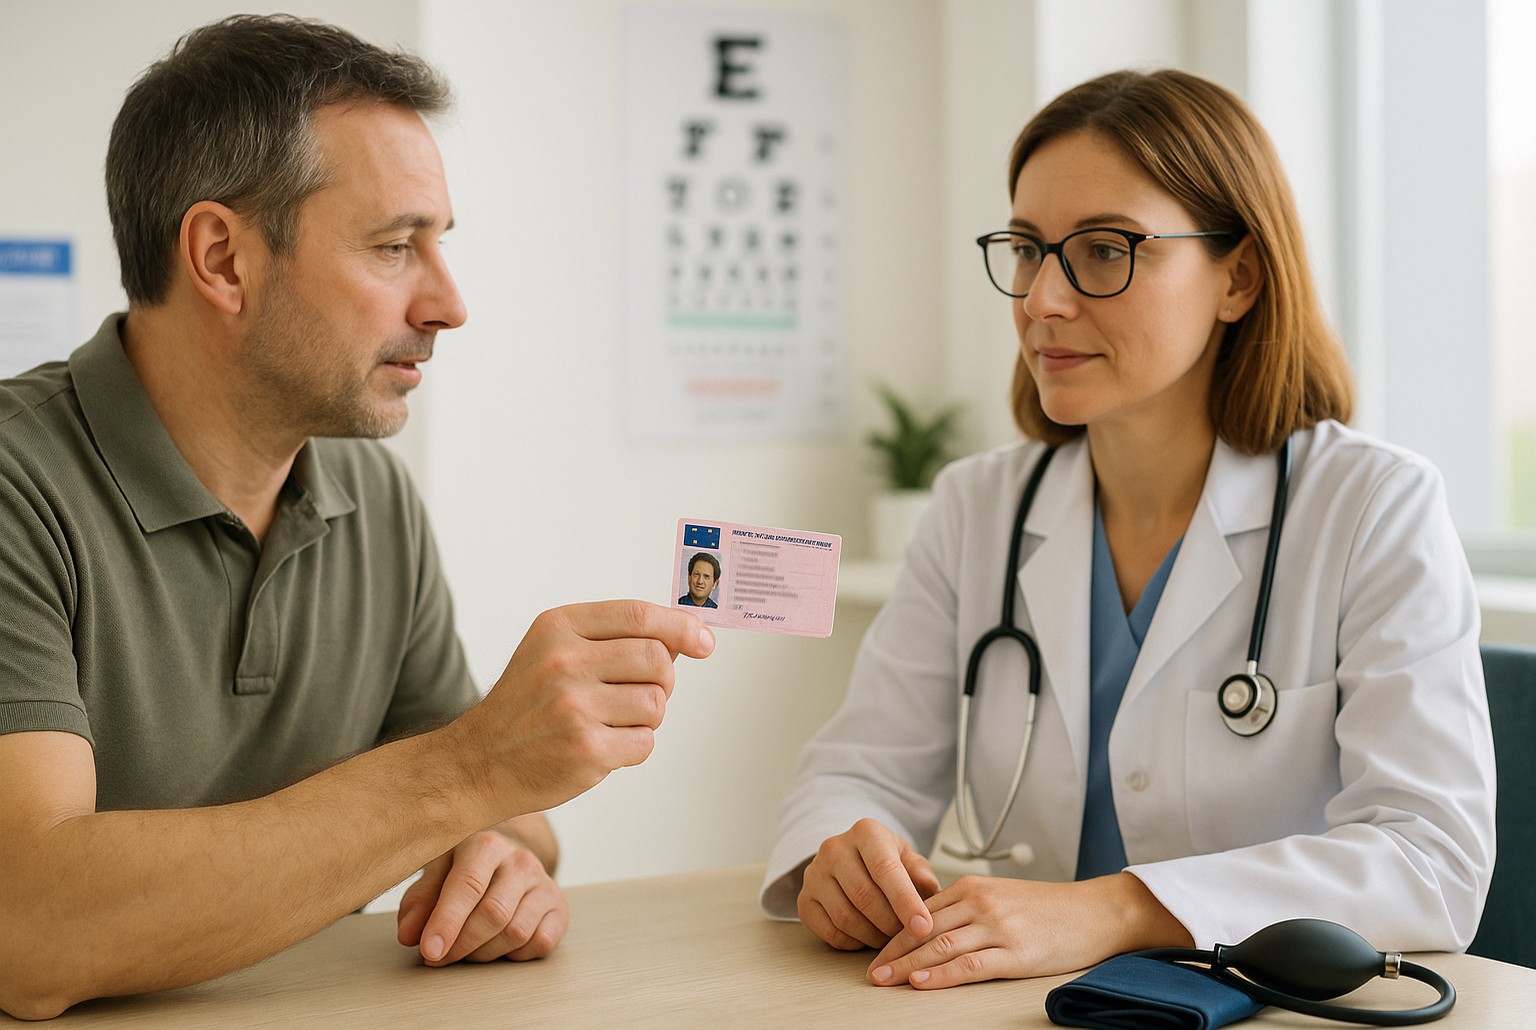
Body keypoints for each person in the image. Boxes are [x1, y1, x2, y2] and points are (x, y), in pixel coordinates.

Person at [0, 15, 713, 1021]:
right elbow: (28, 927)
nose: (449, 303)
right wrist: (471, 768)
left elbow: (502, 812)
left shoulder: (371, 497)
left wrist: (498, 860)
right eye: (393, 247)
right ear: (222, 257)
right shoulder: (14, 485)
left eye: (440, 244)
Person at [761, 69, 1496, 991]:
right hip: (1018, 1006)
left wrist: (1114, 908)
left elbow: (1430, 859)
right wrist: (842, 852)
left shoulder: (1372, 506)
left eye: (1105, 250)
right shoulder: (977, 508)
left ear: (1239, 278)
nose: (1041, 300)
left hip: (1260, 1011)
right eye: (1028, 249)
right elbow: (861, 769)